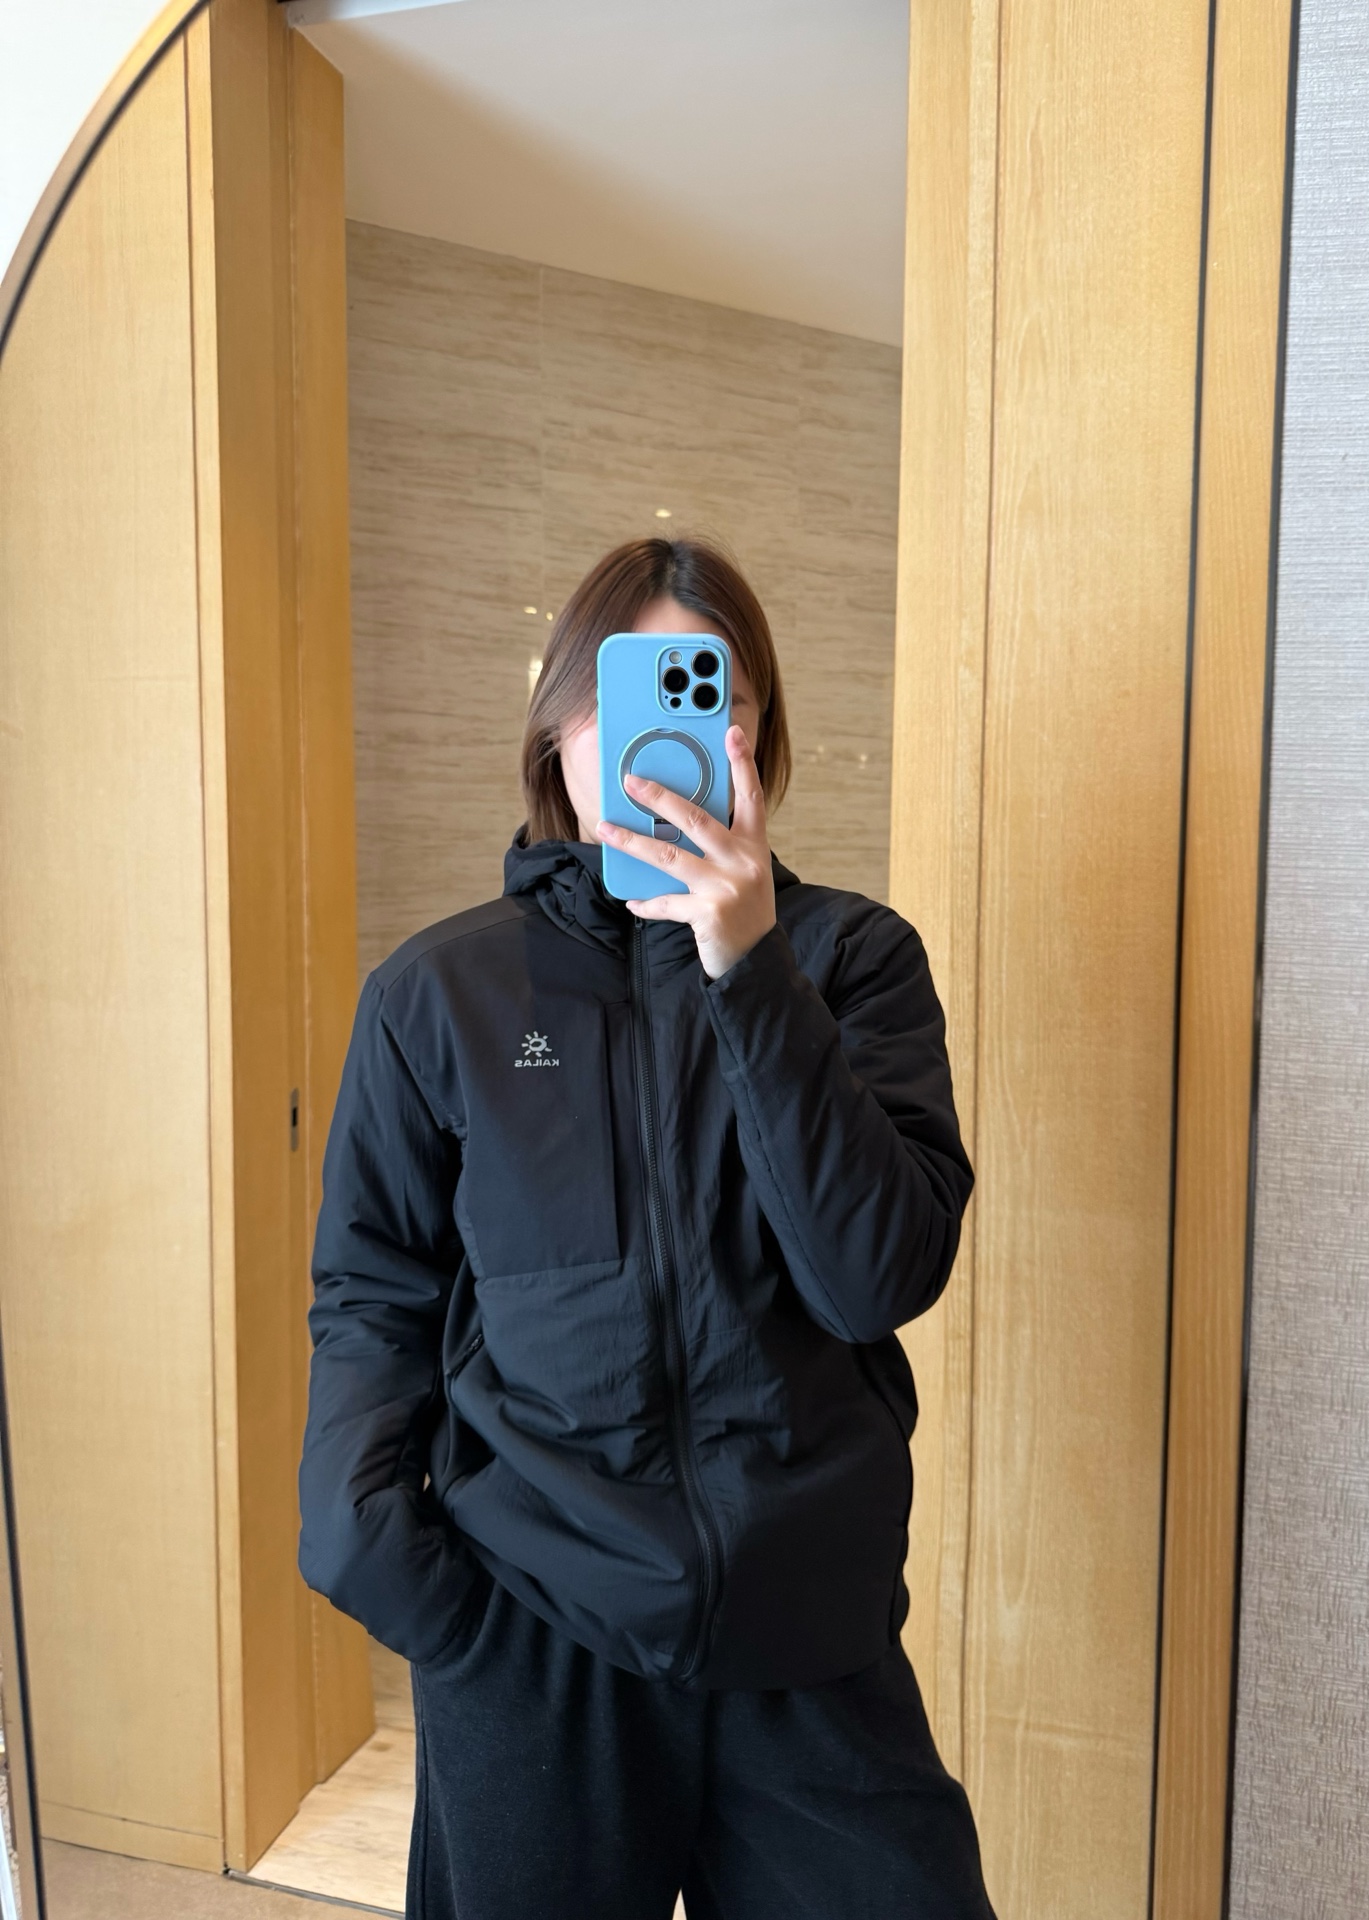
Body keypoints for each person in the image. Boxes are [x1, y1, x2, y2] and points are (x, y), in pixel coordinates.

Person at [298, 537, 995, 1920]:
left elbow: (877, 1275)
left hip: (810, 1639)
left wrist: (752, 971)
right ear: (560, 730)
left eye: (710, 693)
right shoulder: (440, 996)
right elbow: (373, 1296)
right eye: (630, 695)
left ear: (756, 734)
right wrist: (388, 1561)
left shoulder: (854, 962)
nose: (666, 739)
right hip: (534, 1644)